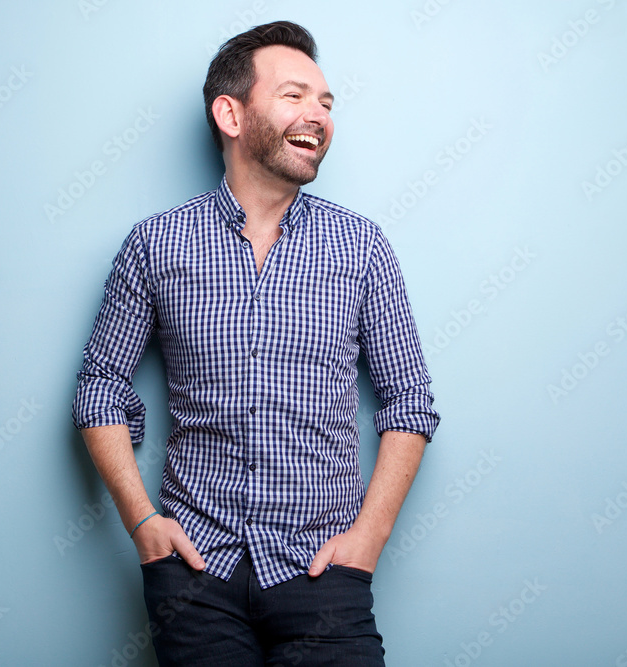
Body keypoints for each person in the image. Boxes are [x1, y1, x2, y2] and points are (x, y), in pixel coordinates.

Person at [72, 20, 439, 666]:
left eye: (326, 102)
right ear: (231, 115)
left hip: (324, 571)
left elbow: (410, 400)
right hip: (193, 575)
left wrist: (369, 539)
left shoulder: (362, 248)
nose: (319, 115)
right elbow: (100, 386)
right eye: (295, 95)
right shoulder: (156, 245)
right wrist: (143, 524)